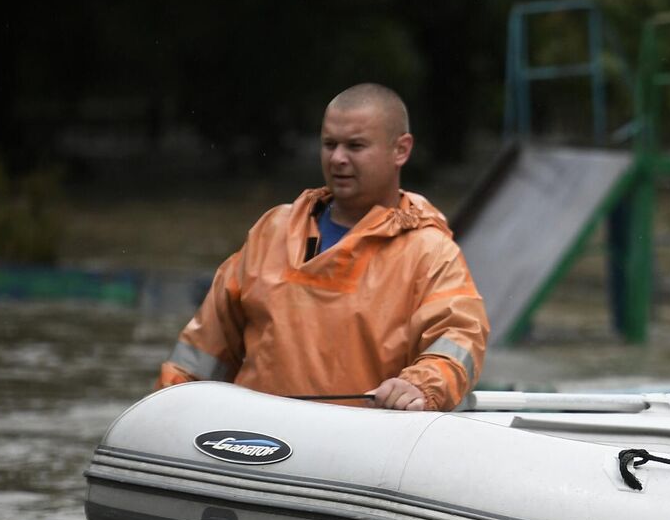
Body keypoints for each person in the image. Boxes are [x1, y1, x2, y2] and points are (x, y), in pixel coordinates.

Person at [156, 83, 488, 411]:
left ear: (401, 150)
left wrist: (419, 385)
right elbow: (205, 346)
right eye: (330, 144)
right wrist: (165, 409)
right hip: (252, 441)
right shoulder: (273, 231)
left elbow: (458, 338)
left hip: (359, 445)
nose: (338, 158)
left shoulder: (429, 252)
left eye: (355, 146)